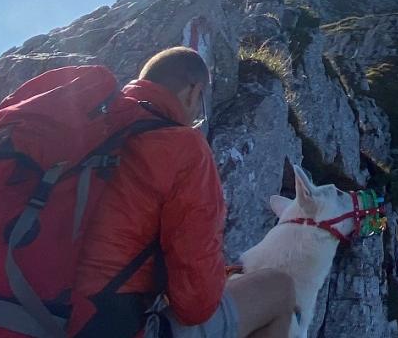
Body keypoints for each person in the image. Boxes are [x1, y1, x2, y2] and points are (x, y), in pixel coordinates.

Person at [68, 47, 296, 338]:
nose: (195, 116)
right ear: (193, 91)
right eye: (199, 105)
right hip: (105, 324)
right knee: (279, 289)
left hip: (34, 310)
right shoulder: (184, 146)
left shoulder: (92, 123)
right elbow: (195, 305)